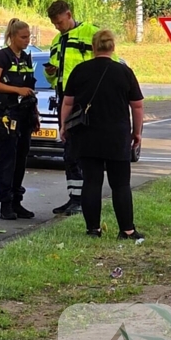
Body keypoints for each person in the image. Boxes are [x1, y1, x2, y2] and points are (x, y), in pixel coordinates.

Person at [60, 30, 145, 240]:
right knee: (121, 184)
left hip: (86, 135)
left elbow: (68, 102)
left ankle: (93, 230)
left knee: (92, 182)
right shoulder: (124, 72)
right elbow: (137, 106)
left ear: (93, 47)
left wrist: (64, 126)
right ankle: (127, 230)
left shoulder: (80, 70)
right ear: (112, 47)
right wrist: (137, 132)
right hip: (117, 136)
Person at [44, 0, 100, 216]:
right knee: (69, 152)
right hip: (64, 99)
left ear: (69, 14)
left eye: (59, 22)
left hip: (86, 101)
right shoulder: (57, 40)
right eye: (54, 24)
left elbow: (108, 63)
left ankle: (85, 199)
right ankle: (74, 198)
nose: (58, 27)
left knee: (85, 152)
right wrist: (50, 72)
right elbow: (54, 78)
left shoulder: (91, 33)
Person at [0, 18, 39, 220]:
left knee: (21, 158)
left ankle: (17, 201)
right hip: (6, 114)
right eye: (24, 37)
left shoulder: (26, 58)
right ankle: (5, 204)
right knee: (7, 159)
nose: (27, 40)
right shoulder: (1, 57)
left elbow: (30, 87)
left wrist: (35, 113)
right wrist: (17, 89)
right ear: (12, 36)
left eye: (29, 37)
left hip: (25, 114)